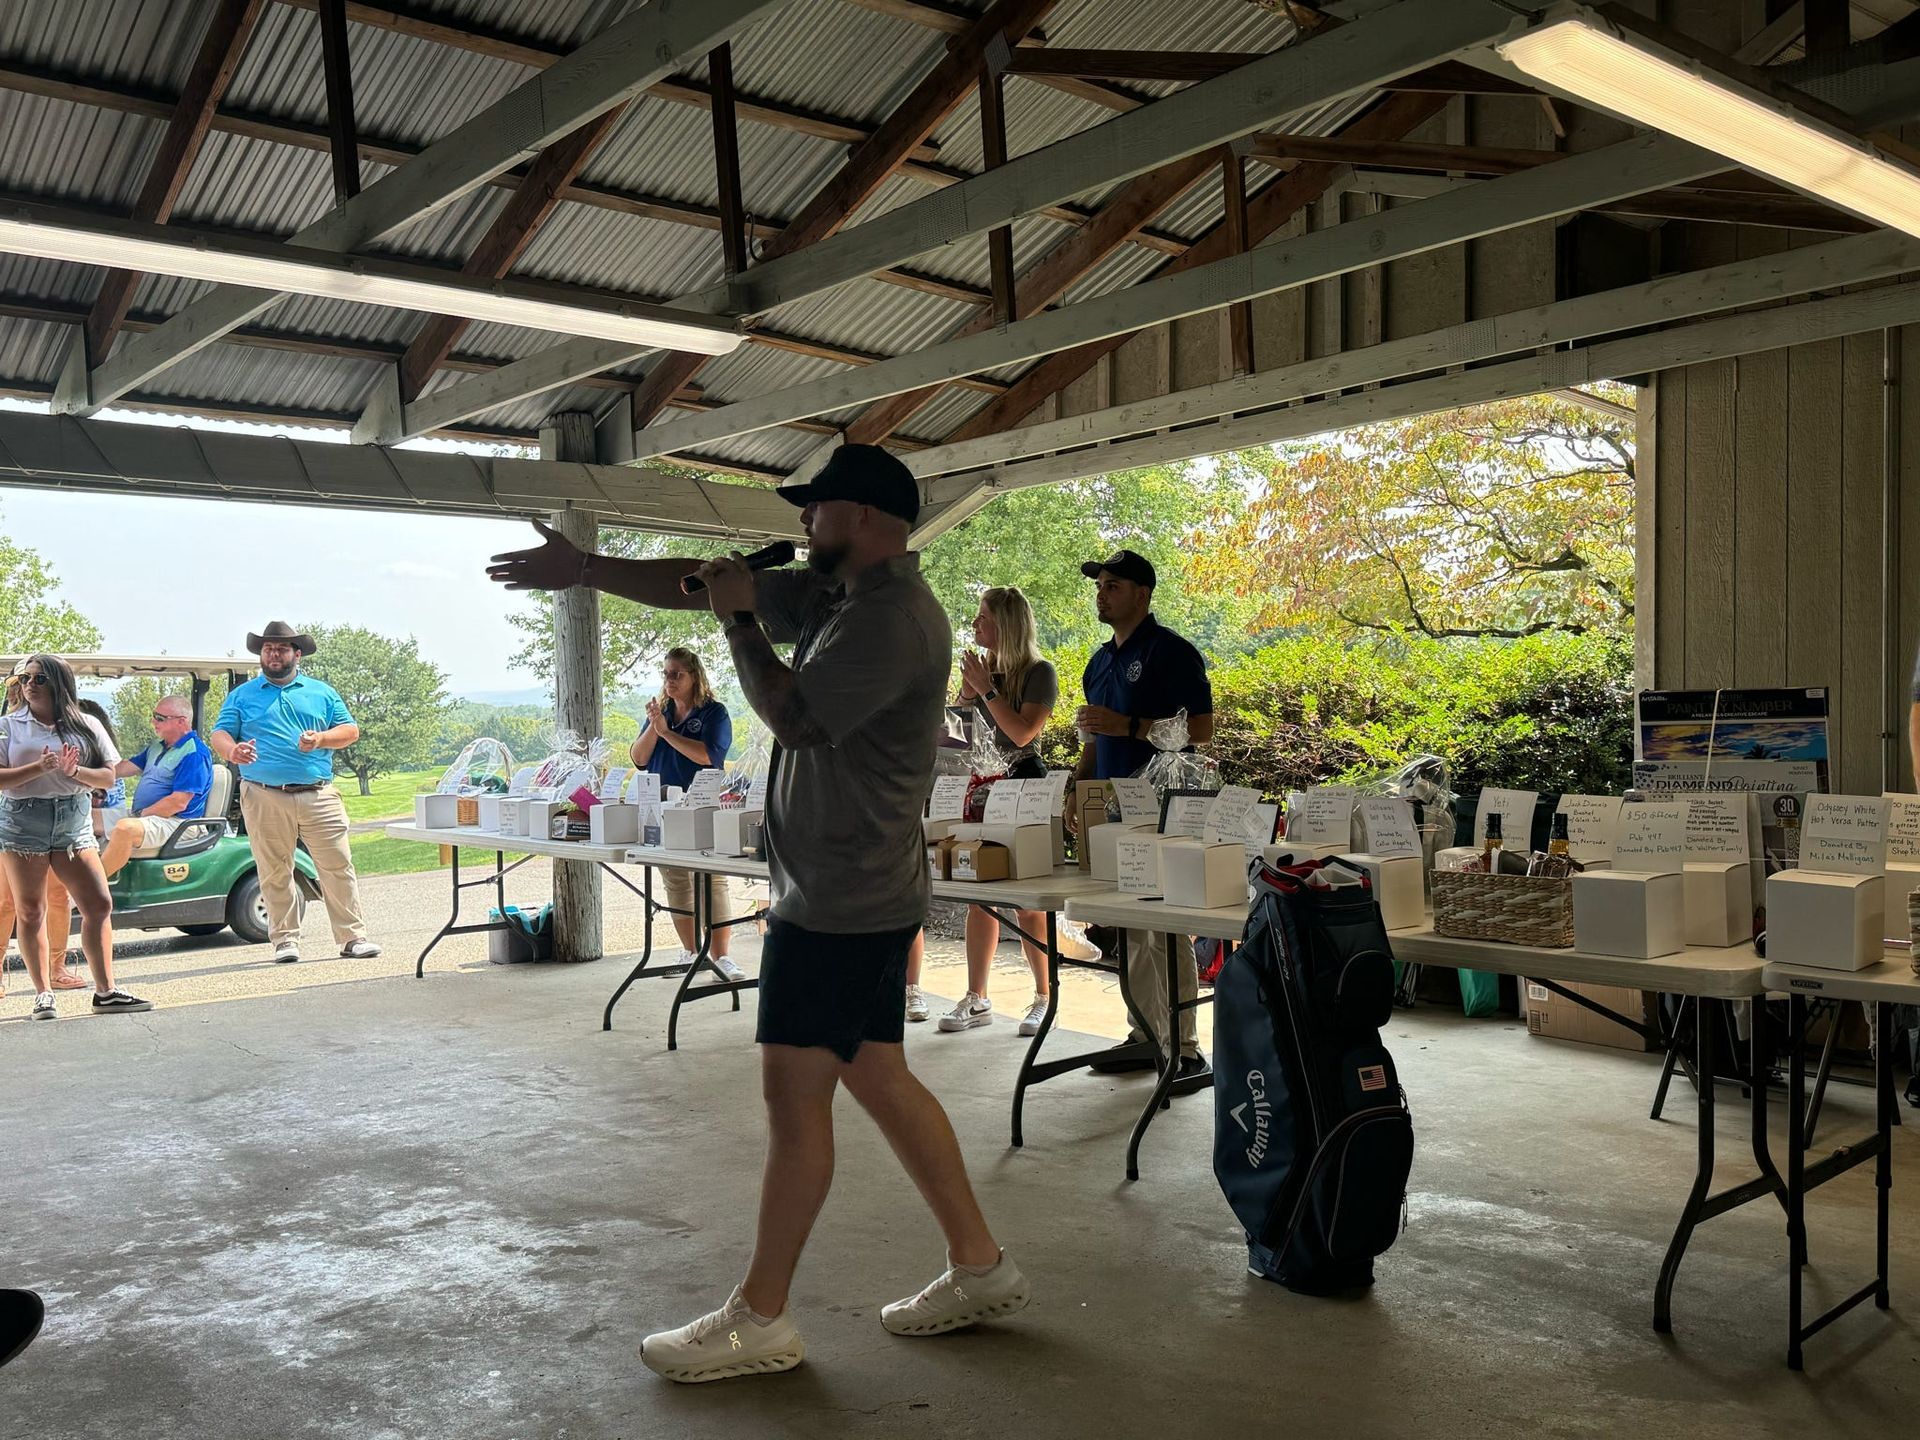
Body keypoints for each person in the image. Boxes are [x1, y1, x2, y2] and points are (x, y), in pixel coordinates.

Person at [489, 443, 1027, 1384]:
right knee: (880, 1078)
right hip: (849, 889)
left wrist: (740, 621)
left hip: (842, 900)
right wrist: (585, 569)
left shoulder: (891, 618)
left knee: (794, 1098)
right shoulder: (838, 597)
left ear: (863, 515)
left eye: (816, 508)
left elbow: (798, 717)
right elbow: (692, 585)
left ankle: (762, 1316)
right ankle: (980, 1265)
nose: (802, 523)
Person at [1072, 550, 1214, 1082]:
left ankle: (1185, 1046)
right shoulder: (1097, 662)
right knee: (1131, 925)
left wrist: (1128, 725)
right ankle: (1145, 1034)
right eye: (1099, 585)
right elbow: (1092, 739)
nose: (1102, 594)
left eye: (1113, 585)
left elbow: (1201, 730)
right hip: (1113, 807)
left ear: (1142, 594)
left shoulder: (1171, 652)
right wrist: (1076, 788)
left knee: (1166, 925)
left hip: (1164, 808)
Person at [210, 622, 380, 965]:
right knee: (274, 869)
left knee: (337, 865)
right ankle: (285, 940)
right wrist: (233, 751)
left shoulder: (321, 692)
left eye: (281, 648)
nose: (273, 654)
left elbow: (350, 731)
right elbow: (220, 734)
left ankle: (352, 938)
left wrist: (321, 739)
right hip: (264, 794)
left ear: (297, 654)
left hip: (318, 794)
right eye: (267, 649)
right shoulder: (242, 695)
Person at [934, 586, 1058, 1039]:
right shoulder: (984, 673)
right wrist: (967, 697)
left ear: (1005, 623)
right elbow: (954, 741)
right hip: (982, 788)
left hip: (1023, 787)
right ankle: (977, 996)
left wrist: (986, 690)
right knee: (978, 894)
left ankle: (1045, 996)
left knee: (1027, 900)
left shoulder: (1039, 672)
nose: (974, 624)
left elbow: (1023, 734)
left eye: (982, 616)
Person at [0, 654, 151, 1018]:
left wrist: (74, 772)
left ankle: (106, 991)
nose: (29, 685)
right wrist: (39, 768)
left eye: (38, 679)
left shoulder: (87, 725)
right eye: (25, 679)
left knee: (98, 903)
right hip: (23, 820)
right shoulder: (8, 725)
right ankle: (43, 994)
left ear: (59, 683)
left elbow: (108, 777)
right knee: (30, 910)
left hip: (73, 819)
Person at [629, 646, 746, 983]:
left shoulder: (713, 713)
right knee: (675, 879)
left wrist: (668, 733)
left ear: (695, 676)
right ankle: (691, 951)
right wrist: (655, 727)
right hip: (663, 806)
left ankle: (721, 957)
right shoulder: (662, 712)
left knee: (711, 879)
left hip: (702, 805)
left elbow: (709, 755)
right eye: (666, 673)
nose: (670, 680)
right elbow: (639, 758)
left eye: (677, 674)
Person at [97, 693, 215, 878]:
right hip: (146, 816)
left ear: (181, 721)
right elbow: (122, 769)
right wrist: (83, 773)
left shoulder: (194, 753)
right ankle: (61, 885)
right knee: (83, 818)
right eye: (154, 716)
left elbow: (178, 803)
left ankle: (91, 887)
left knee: (125, 829)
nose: (153, 721)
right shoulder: (157, 747)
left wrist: (140, 815)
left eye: (160, 718)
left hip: (176, 823)